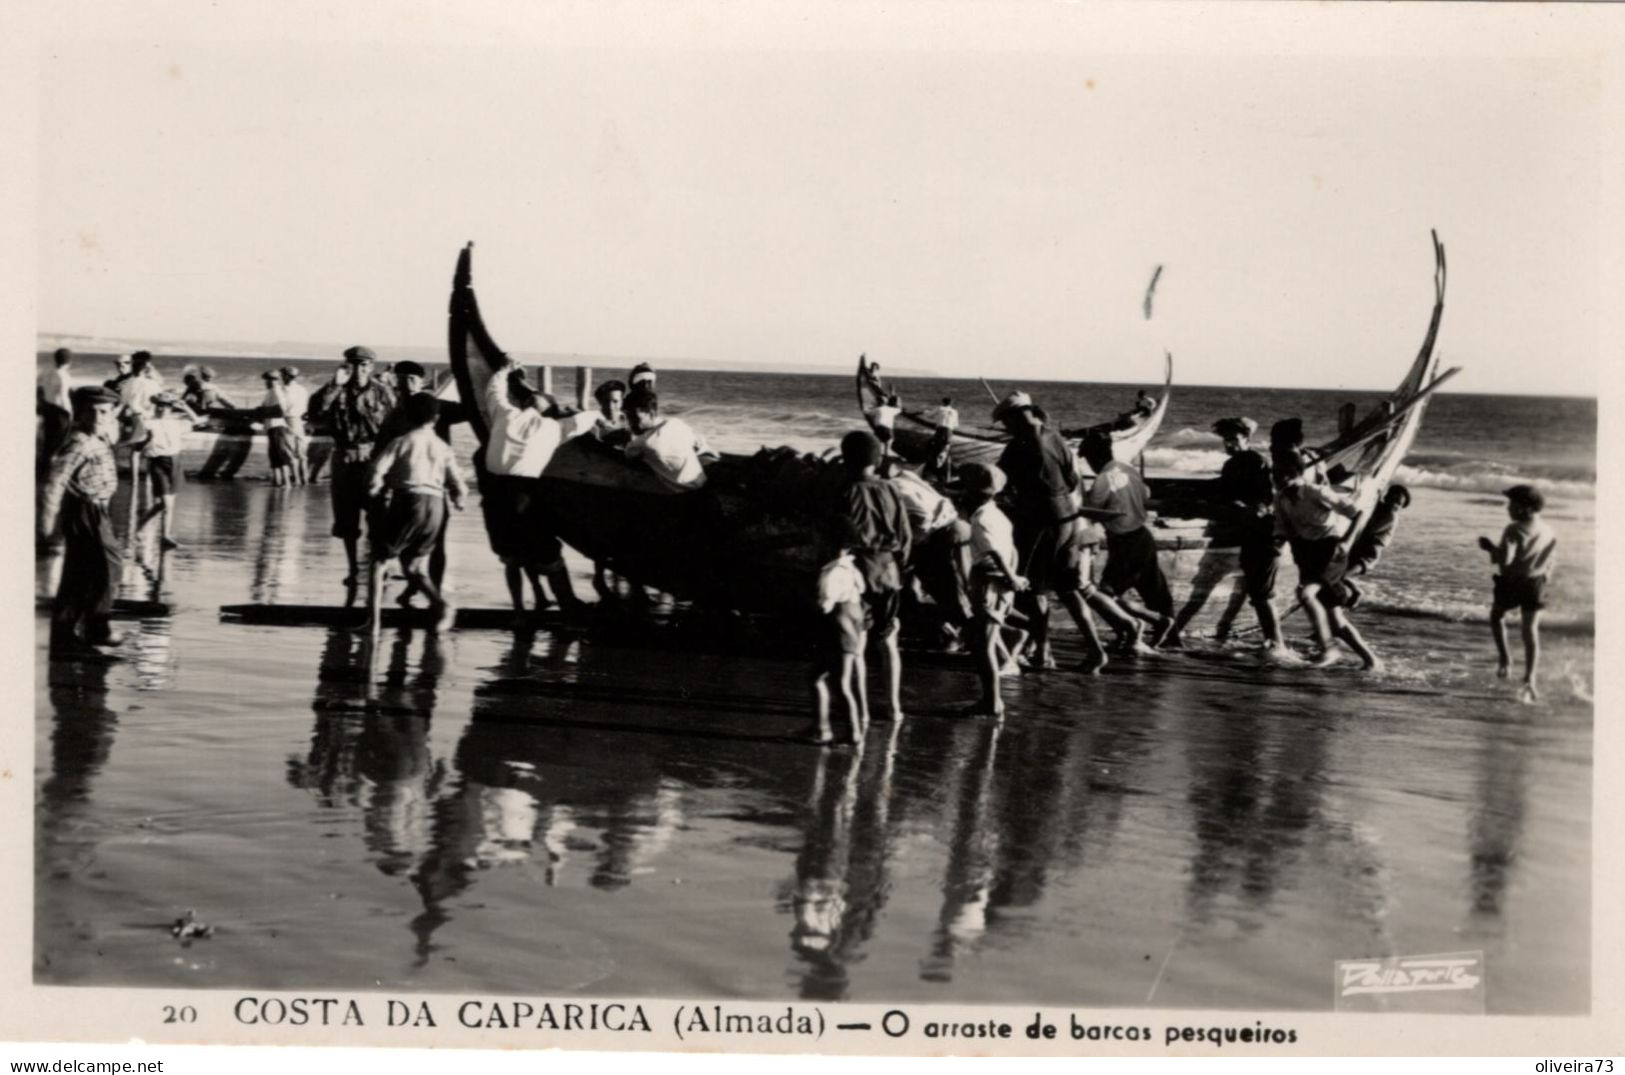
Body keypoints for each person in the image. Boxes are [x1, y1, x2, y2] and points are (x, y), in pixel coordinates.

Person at [992, 390, 1143, 674]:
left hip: (1042, 524)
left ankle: (1043, 652)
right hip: (1068, 520)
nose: (1006, 428)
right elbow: (1072, 479)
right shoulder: (1054, 437)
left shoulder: (1022, 445)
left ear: (1016, 418)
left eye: (1006, 423)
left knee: (1035, 589)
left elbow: (998, 481)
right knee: (1069, 588)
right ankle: (1095, 650)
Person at [481, 355, 596, 619]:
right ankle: (568, 606)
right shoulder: (552, 428)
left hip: (495, 496)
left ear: (524, 404)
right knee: (549, 555)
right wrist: (592, 414)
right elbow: (583, 421)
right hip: (524, 495)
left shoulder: (505, 414)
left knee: (511, 557)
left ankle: (520, 613)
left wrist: (504, 370)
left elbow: (493, 390)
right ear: (549, 411)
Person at [365, 393, 467, 629]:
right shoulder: (442, 446)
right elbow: (458, 483)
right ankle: (440, 604)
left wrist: (374, 487)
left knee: (378, 561)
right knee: (412, 566)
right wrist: (459, 499)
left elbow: (376, 471)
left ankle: (373, 622)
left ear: (406, 417)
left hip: (409, 501)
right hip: (437, 505)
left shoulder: (401, 442)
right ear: (436, 418)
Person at [1272, 448, 1380, 670]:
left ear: (1295, 473)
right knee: (1336, 620)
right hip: (1305, 554)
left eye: (1281, 473)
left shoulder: (1316, 492)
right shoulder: (1281, 498)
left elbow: (1357, 513)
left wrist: (1347, 542)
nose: (1276, 478)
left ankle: (1328, 648)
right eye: (1274, 473)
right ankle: (1372, 661)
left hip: (1329, 551)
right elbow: (1281, 530)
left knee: (1305, 593)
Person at [38, 386, 125, 659]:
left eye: (105, 412)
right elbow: (54, 481)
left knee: (79, 576)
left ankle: (66, 641)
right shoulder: (79, 442)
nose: (99, 416)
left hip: (96, 511)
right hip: (85, 512)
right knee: (109, 566)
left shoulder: (97, 437)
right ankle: (96, 627)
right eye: (93, 411)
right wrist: (47, 525)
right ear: (80, 413)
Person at [838, 429, 912, 722]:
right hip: (890, 571)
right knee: (889, 641)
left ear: (845, 460)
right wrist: (903, 569)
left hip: (859, 572)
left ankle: (863, 711)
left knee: (858, 644)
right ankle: (894, 707)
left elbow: (838, 539)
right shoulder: (892, 489)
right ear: (877, 459)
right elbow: (905, 535)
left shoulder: (846, 492)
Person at [308, 346, 397, 588]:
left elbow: (395, 425)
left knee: (378, 514)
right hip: (344, 454)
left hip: (373, 455)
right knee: (346, 517)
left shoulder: (382, 392)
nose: (359, 370)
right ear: (346, 366)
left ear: (371, 367)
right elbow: (315, 414)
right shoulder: (335, 390)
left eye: (364, 365)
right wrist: (335, 385)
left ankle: (381, 567)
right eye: (354, 365)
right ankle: (353, 569)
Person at [1082, 430, 1177, 648]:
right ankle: (1173, 640)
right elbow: (1145, 495)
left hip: (1124, 542)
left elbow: (1091, 510)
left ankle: (1151, 624)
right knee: (1157, 594)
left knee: (1104, 594)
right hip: (1142, 536)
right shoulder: (1127, 469)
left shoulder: (1103, 479)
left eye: (1088, 459)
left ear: (1094, 457)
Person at [960, 463, 1030, 718]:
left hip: (989, 581)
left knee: (982, 646)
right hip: (1002, 581)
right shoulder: (999, 515)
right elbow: (1011, 551)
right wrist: (1015, 576)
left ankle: (992, 702)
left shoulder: (980, 518)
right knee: (986, 638)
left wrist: (1010, 577)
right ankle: (994, 693)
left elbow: (993, 552)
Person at [1209, 416, 1284, 649]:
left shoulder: (1257, 461)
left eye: (1233, 439)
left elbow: (1267, 499)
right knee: (1256, 590)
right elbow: (1223, 492)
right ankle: (1271, 642)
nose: (1228, 444)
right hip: (1248, 533)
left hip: (1262, 533)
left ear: (1246, 438)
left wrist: (1250, 508)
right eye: (1225, 440)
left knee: (1261, 593)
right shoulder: (1231, 464)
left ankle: (1276, 644)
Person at [1478, 484, 1556, 701]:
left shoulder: (1514, 529)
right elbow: (1551, 559)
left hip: (1512, 582)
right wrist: (1544, 577)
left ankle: (1505, 659)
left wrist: (1490, 548)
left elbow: (1505, 562)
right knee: (1530, 630)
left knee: (1497, 616)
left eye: (1512, 504)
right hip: (1536, 583)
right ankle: (1530, 678)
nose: (1508, 508)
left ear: (1526, 508)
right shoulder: (1548, 529)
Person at [888, 464, 971, 647]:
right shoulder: (906, 476)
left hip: (942, 534)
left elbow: (922, 517)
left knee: (954, 597)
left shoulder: (893, 487)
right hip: (954, 528)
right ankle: (951, 633)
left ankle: (996, 644)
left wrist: (912, 545)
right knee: (952, 592)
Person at [805, 542, 868, 746]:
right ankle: (821, 727)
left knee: (839, 684)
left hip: (838, 629)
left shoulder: (831, 572)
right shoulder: (851, 568)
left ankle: (851, 733)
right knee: (817, 676)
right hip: (851, 624)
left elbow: (825, 605)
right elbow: (861, 591)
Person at [1324, 483, 1411, 609]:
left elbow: (1369, 529)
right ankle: (1337, 602)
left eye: (1398, 504)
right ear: (1387, 497)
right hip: (1357, 550)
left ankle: (1356, 592)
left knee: (1340, 576)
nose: (1394, 505)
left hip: (1368, 555)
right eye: (1394, 499)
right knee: (1335, 576)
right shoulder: (1381, 507)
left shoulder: (1391, 516)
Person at [139, 391, 204, 549]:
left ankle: (143, 524)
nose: (161, 409)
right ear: (155, 406)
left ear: (170, 409)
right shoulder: (148, 422)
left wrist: (185, 406)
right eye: (159, 406)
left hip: (175, 460)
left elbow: (197, 421)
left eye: (165, 407)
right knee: (166, 503)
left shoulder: (175, 422)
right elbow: (141, 441)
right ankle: (164, 536)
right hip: (157, 462)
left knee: (166, 504)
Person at [624, 387, 715, 490]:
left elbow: (629, 455)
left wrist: (631, 436)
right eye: (628, 417)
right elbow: (698, 444)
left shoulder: (642, 443)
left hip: (685, 497)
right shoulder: (676, 423)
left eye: (635, 417)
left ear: (651, 413)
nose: (631, 422)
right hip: (706, 487)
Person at [37, 347, 76, 470]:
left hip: (48, 409)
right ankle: (52, 470)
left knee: (48, 442)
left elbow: (38, 390)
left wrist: (41, 404)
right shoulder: (65, 376)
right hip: (61, 411)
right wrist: (71, 414)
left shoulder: (46, 372)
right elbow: (64, 397)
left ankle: (43, 469)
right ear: (69, 362)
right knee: (59, 443)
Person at [258, 370, 297, 486]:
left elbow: (281, 409)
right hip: (272, 427)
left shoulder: (276, 391)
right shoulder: (271, 391)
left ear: (271, 381)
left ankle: (286, 483)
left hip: (277, 427)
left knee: (280, 455)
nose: (265, 383)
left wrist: (262, 411)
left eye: (267, 380)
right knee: (274, 455)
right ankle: (277, 481)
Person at [279, 366, 311, 485]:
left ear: (286, 376)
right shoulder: (302, 389)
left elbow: (282, 408)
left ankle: (296, 480)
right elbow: (305, 407)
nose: (281, 378)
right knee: (302, 453)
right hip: (300, 421)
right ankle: (305, 479)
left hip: (288, 420)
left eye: (283, 375)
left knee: (290, 452)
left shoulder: (282, 389)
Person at [591, 378, 629, 444]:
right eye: (606, 401)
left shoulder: (630, 421)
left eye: (615, 401)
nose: (610, 407)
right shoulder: (593, 425)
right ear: (600, 402)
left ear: (622, 401)